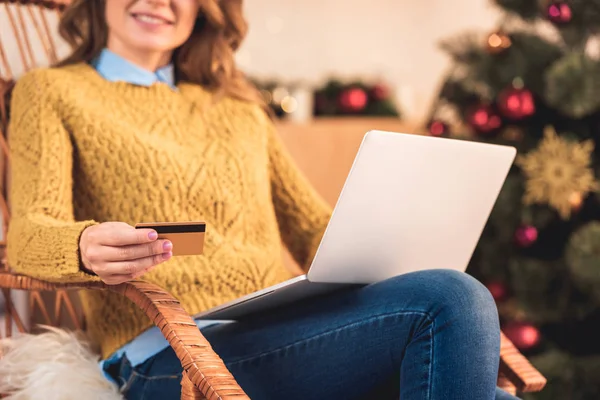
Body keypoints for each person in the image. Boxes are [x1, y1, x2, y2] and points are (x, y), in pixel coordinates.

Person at [6, 0, 518, 399]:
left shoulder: (240, 109)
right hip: (172, 357)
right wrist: (83, 245)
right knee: (455, 298)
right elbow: (27, 234)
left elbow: (317, 230)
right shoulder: (50, 92)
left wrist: (402, 235)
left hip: (279, 334)